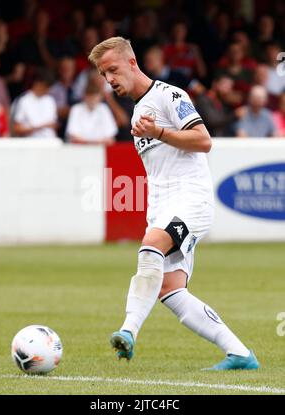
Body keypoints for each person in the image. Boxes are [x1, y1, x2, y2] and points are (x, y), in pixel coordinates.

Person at [88, 36, 260, 370]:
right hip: (164, 205)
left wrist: (160, 132)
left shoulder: (169, 95)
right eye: (103, 74)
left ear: (132, 63)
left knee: (150, 246)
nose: (109, 80)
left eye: (112, 70)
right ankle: (240, 354)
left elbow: (203, 140)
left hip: (191, 200)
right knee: (169, 289)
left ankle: (128, 330)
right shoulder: (139, 110)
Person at [12, 68, 58, 138]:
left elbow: (53, 127)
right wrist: (40, 127)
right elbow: (16, 128)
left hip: (50, 143)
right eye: (46, 86)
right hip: (31, 144)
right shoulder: (23, 100)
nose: (47, 90)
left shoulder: (50, 100)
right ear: (38, 83)